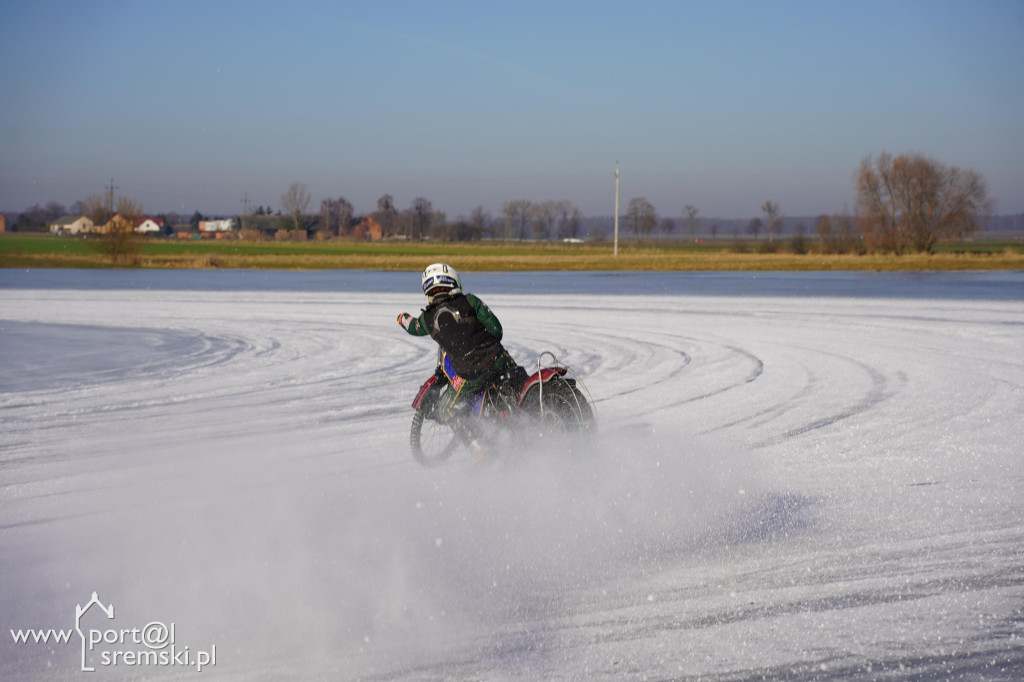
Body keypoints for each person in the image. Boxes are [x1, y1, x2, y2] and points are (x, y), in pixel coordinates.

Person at [398, 262, 515, 424]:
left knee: (446, 410)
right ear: (453, 281)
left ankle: (479, 446)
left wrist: (401, 317)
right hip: (497, 357)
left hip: (471, 372)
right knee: (518, 379)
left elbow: (413, 327)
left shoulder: (427, 319)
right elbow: (496, 330)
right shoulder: (470, 300)